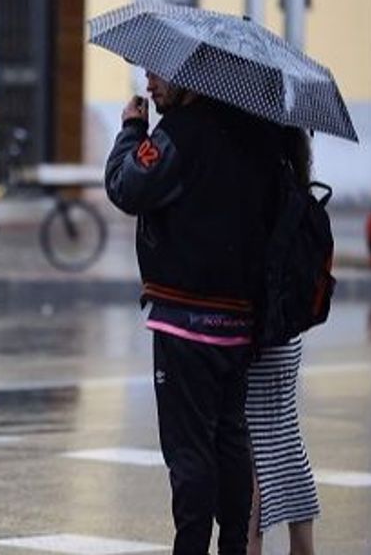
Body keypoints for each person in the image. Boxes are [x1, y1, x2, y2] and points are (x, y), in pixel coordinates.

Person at [104, 70, 283, 555]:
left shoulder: (181, 134)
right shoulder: (257, 137)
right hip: (238, 323)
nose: (149, 82)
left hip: (186, 322)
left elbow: (126, 187)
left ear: (193, 82)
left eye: (159, 75)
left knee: (190, 453)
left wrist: (131, 131)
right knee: (229, 441)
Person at [246, 129, 320, 555]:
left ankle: (250, 545)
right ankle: (303, 547)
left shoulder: (259, 180)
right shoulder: (295, 175)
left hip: (259, 322)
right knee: (284, 432)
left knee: (253, 448)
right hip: (286, 326)